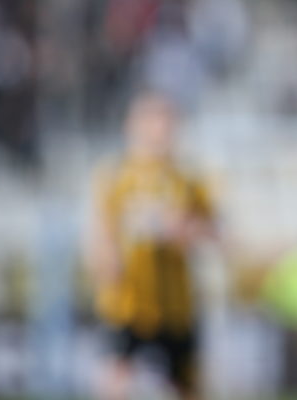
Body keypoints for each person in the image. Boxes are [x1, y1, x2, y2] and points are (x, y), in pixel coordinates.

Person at [86, 91, 217, 400]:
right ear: (134, 125)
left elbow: (215, 232)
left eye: (167, 121)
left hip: (176, 305)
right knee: (116, 379)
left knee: (187, 385)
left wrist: (183, 229)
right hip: (127, 303)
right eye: (153, 120)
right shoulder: (116, 176)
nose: (161, 129)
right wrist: (107, 266)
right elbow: (100, 234)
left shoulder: (187, 179)